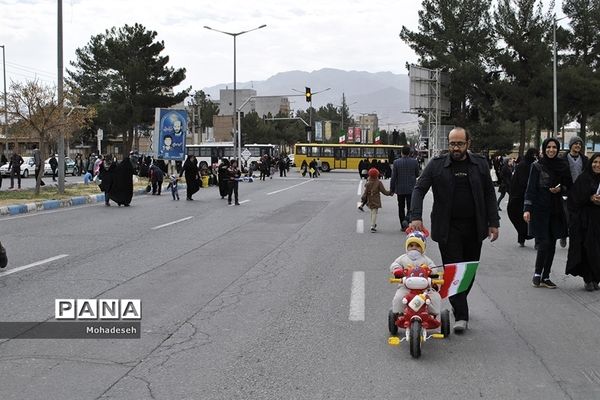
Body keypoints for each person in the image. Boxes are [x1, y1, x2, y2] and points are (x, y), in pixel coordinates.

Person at [409, 127, 499, 333]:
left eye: (459, 143)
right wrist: (415, 216)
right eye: (452, 144)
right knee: (453, 270)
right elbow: (419, 188)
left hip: (475, 227)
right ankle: (461, 315)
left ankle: (459, 302)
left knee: (469, 271)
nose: (455, 148)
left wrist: (494, 222)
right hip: (448, 228)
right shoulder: (437, 165)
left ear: (468, 143)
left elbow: (489, 194)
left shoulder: (480, 164)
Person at [523, 137, 572, 289]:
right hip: (540, 209)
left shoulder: (563, 165)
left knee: (551, 244)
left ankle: (546, 276)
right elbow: (530, 189)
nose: (551, 150)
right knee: (544, 242)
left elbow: (569, 185)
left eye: (554, 147)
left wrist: (560, 189)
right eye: (548, 147)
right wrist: (527, 209)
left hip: (556, 209)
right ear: (544, 149)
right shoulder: (537, 166)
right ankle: (537, 274)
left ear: (558, 149)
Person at [565, 153, 600, 291]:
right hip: (585, 221)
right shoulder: (584, 178)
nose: (597, 165)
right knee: (587, 249)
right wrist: (589, 198)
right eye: (595, 162)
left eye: (599, 162)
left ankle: (596, 277)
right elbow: (574, 199)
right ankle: (588, 278)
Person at [389, 231, 442, 318]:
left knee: (434, 297)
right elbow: (395, 264)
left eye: (417, 246)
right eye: (411, 245)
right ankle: (399, 313)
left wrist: (430, 271)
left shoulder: (426, 259)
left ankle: (432, 313)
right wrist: (397, 270)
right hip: (406, 285)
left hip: (424, 287)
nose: (414, 248)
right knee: (399, 297)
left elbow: (434, 267)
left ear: (423, 247)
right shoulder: (403, 258)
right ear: (407, 247)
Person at [559, 136, 589, 248]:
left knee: (578, 217)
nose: (578, 146)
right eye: (575, 144)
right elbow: (559, 175)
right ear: (571, 145)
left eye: (579, 144)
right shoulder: (563, 159)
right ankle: (563, 235)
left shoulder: (585, 159)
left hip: (580, 192)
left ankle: (576, 239)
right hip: (567, 191)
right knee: (567, 216)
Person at [507, 148, 538, 247]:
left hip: (528, 196)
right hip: (520, 197)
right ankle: (523, 237)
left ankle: (533, 240)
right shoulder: (523, 165)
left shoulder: (535, 165)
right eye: (533, 155)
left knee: (534, 218)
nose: (535, 157)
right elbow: (520, 181)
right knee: (521, 218)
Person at [390, 145, 420, 230]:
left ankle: (403, 226)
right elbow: (417, 174)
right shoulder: (414, 162)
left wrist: (392, 190)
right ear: (410, 153)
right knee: (410, 207)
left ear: (401, 152)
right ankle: (408, 221)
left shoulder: (396, 162)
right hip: (411, 189)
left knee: (401, 207)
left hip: (400, 189)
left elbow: (393, 177)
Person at [360, 167, 392, 232]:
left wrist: (363, 199)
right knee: (374, 212)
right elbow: (384, 192)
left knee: (372, 212)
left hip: (369, 199)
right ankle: (372, 225)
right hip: (376, 199)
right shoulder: (378, 182)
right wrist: (390, 193)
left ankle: (373, 224)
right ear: (377, 175)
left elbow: (365, 193)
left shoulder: (368, 183)